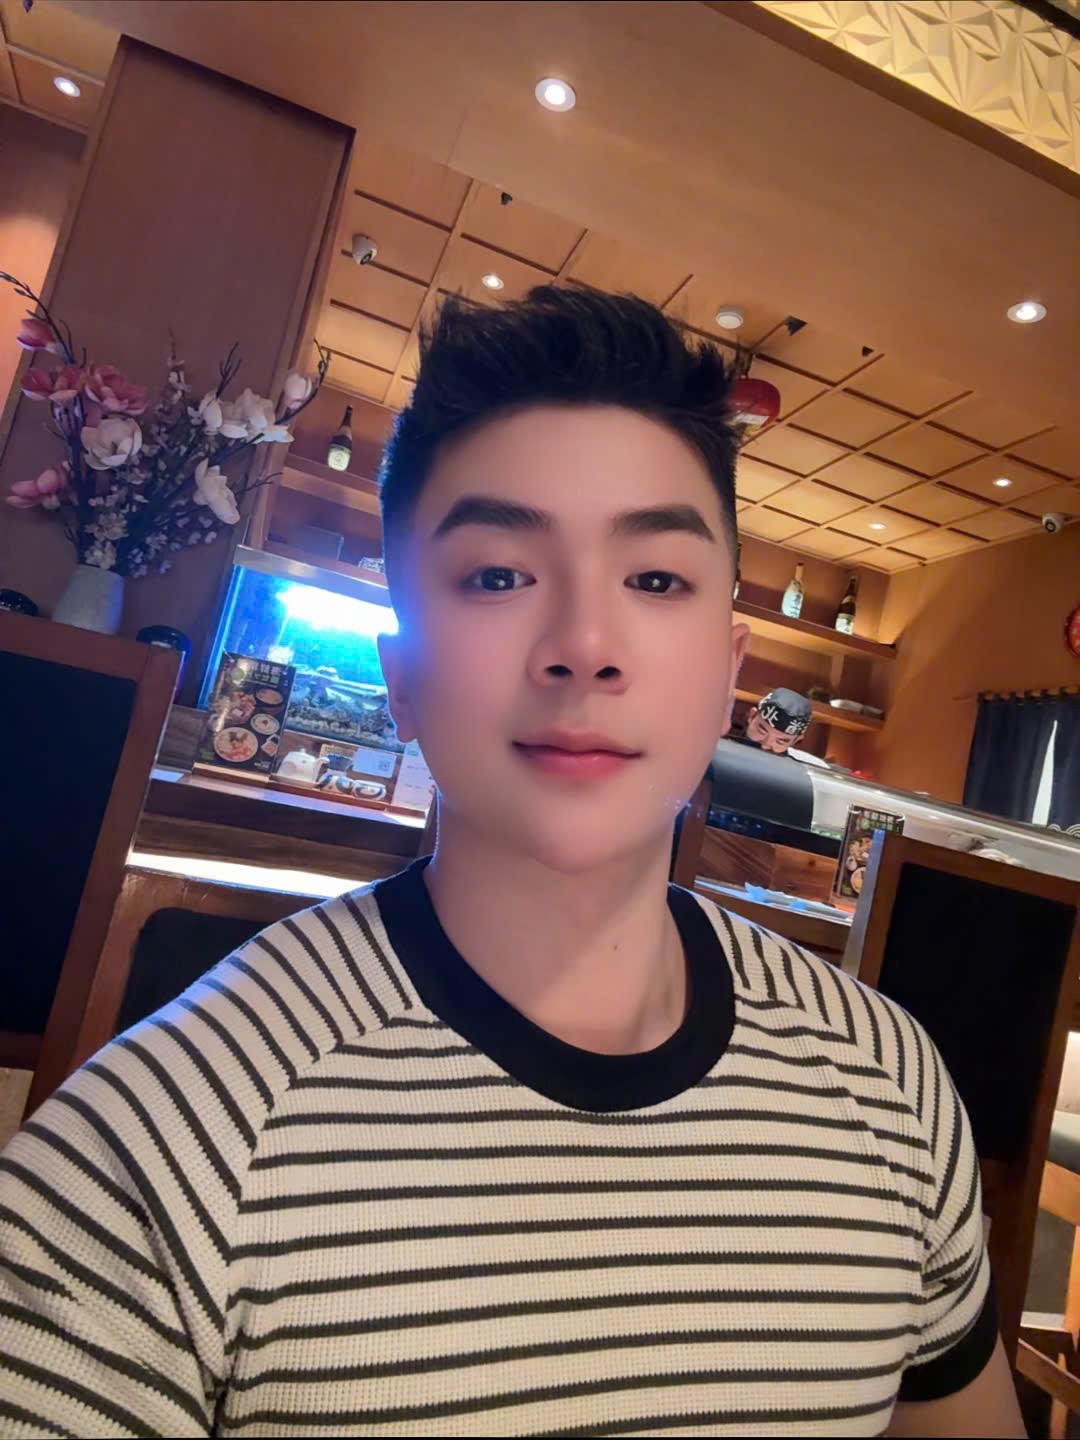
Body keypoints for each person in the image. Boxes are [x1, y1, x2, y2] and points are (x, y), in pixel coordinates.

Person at [0, 285, 1024, 1438]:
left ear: (727, 673)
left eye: (656, 579)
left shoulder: (889, 1085)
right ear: (401, 677)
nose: (584, 646)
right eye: (497, 574)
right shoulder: (162, 1149)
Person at [741, 685, 813, 755]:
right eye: (761, 732)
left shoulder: (804, 762)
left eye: (780, 742)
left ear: (796, 740)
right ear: (751, 715)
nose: (765, 746)